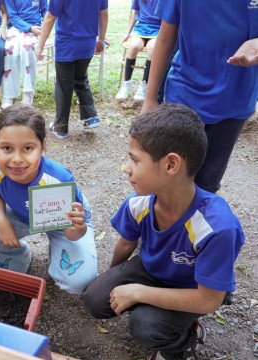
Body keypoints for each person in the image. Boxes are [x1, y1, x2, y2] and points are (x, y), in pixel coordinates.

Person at [82, 104, 245, 360]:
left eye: (134, 160)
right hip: (151, 269)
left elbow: (210, 299)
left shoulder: (215, 227)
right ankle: (157, 309)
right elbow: (126, 244)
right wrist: (112, 277)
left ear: (171, 165)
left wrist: (138, 292)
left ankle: (185, 342)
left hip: (193, 288)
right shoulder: (139, 204)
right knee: (95, 298)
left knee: (145, 326)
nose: (126, 167)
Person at [0, 104, 97, 295]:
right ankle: (17, 258)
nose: (16, 159)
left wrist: (77, 230)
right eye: (6, 148)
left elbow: (71, 229)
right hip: (22, 213)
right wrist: (1, 220)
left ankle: (58, 255)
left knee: (79, 283)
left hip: (63, 222)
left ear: (43, 147)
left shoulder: (58, 179)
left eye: (28, 148)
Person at [142, 0, 258, 194]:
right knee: (168, 178)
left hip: (234, 98)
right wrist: (150, 99)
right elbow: (164, 39)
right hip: (184, 93)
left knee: (206, 183)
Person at [36, 0, 108, 139]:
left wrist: (40, 46)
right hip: (88, 43)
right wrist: (101, 39)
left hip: (67, 44)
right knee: (80, 78)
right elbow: (104, 12)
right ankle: (91, 117)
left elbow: (50, 17)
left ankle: (60, 127)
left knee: (64, 85)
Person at [0, 0, 47, 109]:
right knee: (9, 51)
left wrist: (44, 28)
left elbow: (45, 11)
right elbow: (12, 16)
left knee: (28, 49)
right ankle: (8, 94)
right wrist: (28, 27)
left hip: (35, 28)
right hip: (15, 27)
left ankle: (28, 92)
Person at [115, 0, 161, 102]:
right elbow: (135, 13)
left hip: (157, 29)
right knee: (134, 46)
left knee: (152, 48)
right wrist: (128, 33)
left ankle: (144, 85)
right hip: (141, 28)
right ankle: (126, 83)